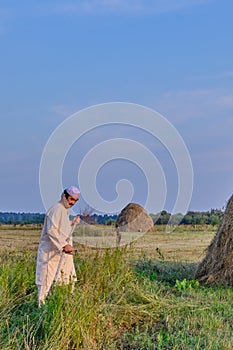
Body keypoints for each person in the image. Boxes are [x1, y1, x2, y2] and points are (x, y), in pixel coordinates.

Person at [36, 186, 80, 306]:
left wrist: (72, 223)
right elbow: (52, 231)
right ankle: (40, 310)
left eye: (75, 201)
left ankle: (60, 306)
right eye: (71, 199)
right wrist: (64, 245)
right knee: (45, 281)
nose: (72, 203)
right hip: (49, 252)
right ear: (64, 196)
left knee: (66, 278)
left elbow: (63, 231)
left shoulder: (64, 211)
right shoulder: (56, 209)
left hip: (60, 252)